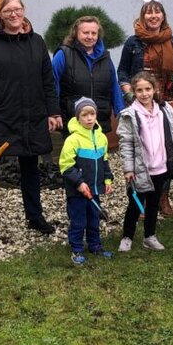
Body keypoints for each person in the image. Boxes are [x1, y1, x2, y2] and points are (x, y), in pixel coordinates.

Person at [0, 0, 63, 239]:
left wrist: (53, 111)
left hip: (32, 116)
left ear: (24, 11)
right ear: (0, 15)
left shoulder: (37, 42)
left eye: (17, 9)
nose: (14, 14)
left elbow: (48, 81)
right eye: (8, 10)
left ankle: (35, 216)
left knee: (31, 167)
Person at [117, 0, 173, 216]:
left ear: (163, 16)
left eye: (157, 12)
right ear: (142, 16)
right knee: (142, 151)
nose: (153, 16)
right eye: (149, 12)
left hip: (166, 103)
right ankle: (142, 201)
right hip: (140, 102)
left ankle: (163, 199)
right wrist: (129, 93)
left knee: (166, 151)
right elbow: (122, 72)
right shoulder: (133, 43)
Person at [116, 71, 173, 253]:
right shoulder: (129, 114)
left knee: (153, 204)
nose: (144, 94)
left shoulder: (164, 110)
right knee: (135, 205)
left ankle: (150, 236)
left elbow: (172, 137)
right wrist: (128, 169)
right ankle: (127, 237)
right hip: (139, 169)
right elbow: (126, 143)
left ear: (154, 89)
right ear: (134, 92)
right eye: (139, 90)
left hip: (160, 166)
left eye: (148, 89)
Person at [59, 97, 114, 265]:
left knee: (94, 218)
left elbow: (104, 160)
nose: (89, 118)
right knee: (78, 220)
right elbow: (66, 166)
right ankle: (76, 249)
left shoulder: (102, 138)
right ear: (77, 118)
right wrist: (79, 183)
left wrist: (107, 179)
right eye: (84, 115)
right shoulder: (72, 140)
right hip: (77, 191)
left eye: (92, 114)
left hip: (94, 189)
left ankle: (95, 245)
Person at [52, 15, 125, 134]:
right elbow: (53, 85)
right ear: (76, 33)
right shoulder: (63, 54)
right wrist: (54, 113)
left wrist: (121, 113)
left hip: (99, 123)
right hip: (73, 122)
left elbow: (114, 87)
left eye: (94, 33)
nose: (90, 37)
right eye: (85, 33)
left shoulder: (106, 57)